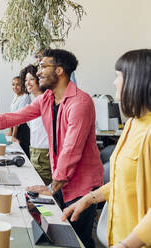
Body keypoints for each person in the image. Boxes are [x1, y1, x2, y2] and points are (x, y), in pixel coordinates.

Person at [0, 49, 103, 248]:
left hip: (82, 186)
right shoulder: (47, 99)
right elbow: (14, 117)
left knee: (77, 241)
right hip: (62, 182)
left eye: (43, 66)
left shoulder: (80, 103)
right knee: (60, 236)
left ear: (59, 71)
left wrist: (51, 188)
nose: (38, 72)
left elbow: (70, 150)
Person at [62, 49, 151, 248]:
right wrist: (88, 199)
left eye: (118, 76)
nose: (114, 82)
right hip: (117, 239)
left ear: (137, 80)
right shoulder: (132, 124)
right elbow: (124, 182)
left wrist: (127, 245)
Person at [23, 64, 51, 185]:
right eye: (26, 80)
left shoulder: (47, 101)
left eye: (31, 79)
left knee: (42, 193)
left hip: (44, 154)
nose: (27, 83)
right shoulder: (34, 102)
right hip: (34, 151)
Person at [7, 75, 31, 157]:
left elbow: (18, 118)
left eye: (18, 84)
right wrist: (9, 133)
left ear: (22, 85)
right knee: (13, 154)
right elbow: (12, 116)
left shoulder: (25, 97)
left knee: (23, 155)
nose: (15, 87)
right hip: (14, 128)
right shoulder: (15, 96)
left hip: (22, 130)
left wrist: (13, 136)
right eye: (13, 85)